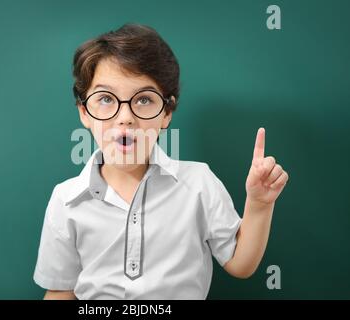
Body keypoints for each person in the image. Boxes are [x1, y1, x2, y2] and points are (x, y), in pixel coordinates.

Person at [33, 23, 289, 300]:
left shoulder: (198, 183)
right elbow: (60, 291)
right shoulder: (66, 198)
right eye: (106, 98)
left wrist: (260, 205)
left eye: (143, 100)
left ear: (166, 113)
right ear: (84, 112)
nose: (125, 117)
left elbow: (240, 264)